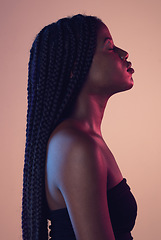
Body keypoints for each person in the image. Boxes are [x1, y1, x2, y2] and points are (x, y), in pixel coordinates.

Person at [22, 14, 137, 240]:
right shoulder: (75, 145)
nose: (124, 53)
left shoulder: (84, 138)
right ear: (76, 66)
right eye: (110, 47)